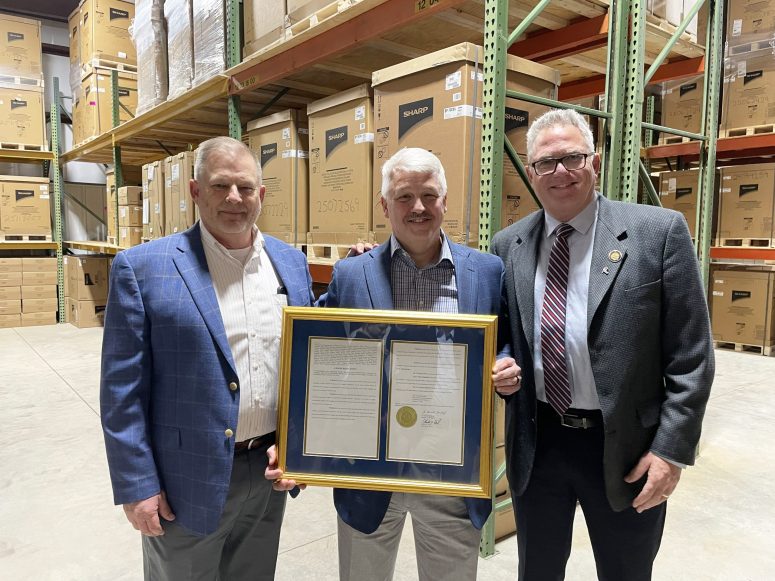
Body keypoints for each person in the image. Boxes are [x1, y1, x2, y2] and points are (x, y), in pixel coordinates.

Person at [267, 147, 521, 580]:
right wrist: (296, 445)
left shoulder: (486, 271)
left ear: (445, 201)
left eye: (429, 195)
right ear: (385, 205)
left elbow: (504, 339)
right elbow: (315, 354)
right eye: (404, 196)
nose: (418, 207)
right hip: (368, 472)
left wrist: (505, 364)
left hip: (451, 471)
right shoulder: (352, 274)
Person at [491, 108, 715, 580]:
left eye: (572, 158)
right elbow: (504, 334)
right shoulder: (509, 245)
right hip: (539, 443)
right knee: (537, 571)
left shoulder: (658, 232)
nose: (561, 172)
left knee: (625, 571)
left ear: (594, 162)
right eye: (546, 163)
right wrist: (504, 364)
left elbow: (691, 355)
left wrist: (671, 451)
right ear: (531, 173)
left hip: (627, 450)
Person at [100, 136, 314, 580]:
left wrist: (301, 447)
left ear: (261, 194)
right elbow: (122, 392)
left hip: (268, 472)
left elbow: (307, 364)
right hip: (184, 480)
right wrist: (137, 485)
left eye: (246, 187)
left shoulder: (290, 264)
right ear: (196, 191)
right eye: (220, 185)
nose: (234, 197)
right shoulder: (143, 268)